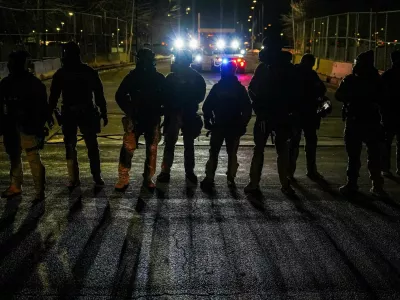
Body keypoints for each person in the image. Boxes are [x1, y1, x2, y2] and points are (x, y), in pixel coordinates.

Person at [48, 42, 108, 189]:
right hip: (86, 112)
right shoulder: (88, 71)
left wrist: (49, 113)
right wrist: (103, 111)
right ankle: (96, 176)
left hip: (70, 113)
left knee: (70, 146)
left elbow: (53, 98)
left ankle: (74, 178)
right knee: (91, 146)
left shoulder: (61, 74)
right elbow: (99, 94)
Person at [245, 46, 297, 196]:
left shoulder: (264, 69)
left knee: (259, 149)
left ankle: (254, 183)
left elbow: (252, 90)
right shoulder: (288, 69)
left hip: (266, 116)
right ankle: (285, 184)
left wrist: (259, 107)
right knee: (282, 151)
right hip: (282, 116)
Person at [335, 50, 386, 197]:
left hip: (356, 121)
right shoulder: (377, 80)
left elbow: (339, 95)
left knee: (354, 156)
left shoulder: (351, 80)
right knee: (374, 155)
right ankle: (377, 185)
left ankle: (353, 184)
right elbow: (384, 100)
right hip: (372, 121)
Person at [114, 48, 165, 191]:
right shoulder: (135, 77)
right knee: (131, 149)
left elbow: (166, 98)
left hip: (149, 118)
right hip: (137, 118)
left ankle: (143, 179)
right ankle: (128, 178)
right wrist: (129, 110)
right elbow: (120, 96)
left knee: (149, 149)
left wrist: (161, 110)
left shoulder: (154, 78)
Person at [0, 50, 48, 200]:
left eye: (10, 62)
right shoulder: (32, 82)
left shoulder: (9, 83)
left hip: (22, 125)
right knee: (26, 156)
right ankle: (35, 190)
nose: (8, 65)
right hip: (19, 125)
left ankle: (22, 187)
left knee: (24, 157)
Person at [200, 61, 252, 190]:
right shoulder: (239, 89)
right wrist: (242, 124)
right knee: (232, 153)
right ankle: (230, 178)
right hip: (233, 126)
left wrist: (208, 121)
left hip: (219, 125)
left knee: (214, 153)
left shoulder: (218, 88)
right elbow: (247, 109)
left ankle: (210, 177)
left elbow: (207, 107)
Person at [157, 49, 206, 184]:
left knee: (171, 144)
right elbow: (200, 96)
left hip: (177, 113)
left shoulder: (172, 77)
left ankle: (166, 172)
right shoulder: (196, 77)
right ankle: (188, 172)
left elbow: (164, 96)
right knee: (186, 145)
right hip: (186, 113)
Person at [288, 54, 327, 181]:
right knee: (306, 142)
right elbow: (321, 90)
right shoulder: (310, 75)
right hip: (305, 113)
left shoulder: (295, 73)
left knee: (296, 143)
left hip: (301, 113)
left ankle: (291, 171)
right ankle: (309, 170)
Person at [381, 50, 400, 177]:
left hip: (389, 114)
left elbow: (380, 95)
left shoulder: (387, 75)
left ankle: (386, 168)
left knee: (386, 143)